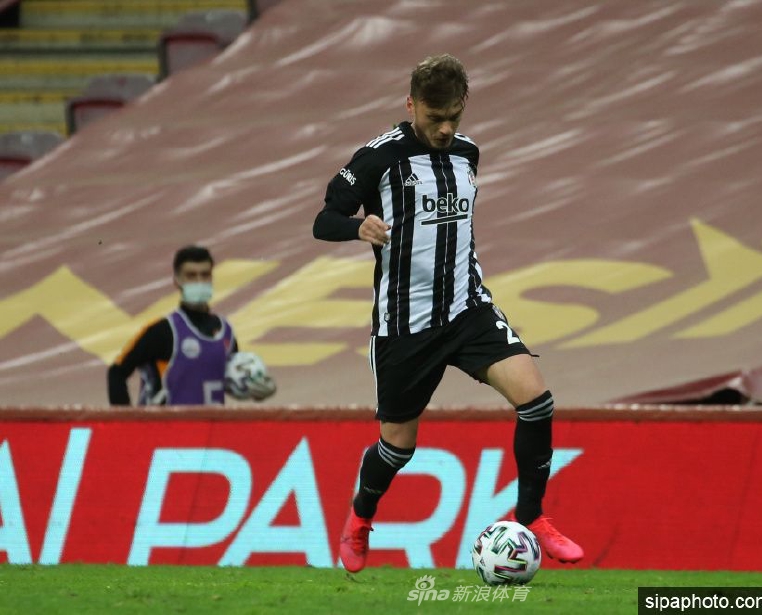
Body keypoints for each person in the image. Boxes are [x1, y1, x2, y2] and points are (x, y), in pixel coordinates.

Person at [312, 54, 584, 573]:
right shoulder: (377, 159)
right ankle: (361, 515)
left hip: (467, 307)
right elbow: (324, 219)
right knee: (397, 448)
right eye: (434, 116)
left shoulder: (467, 154)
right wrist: (357, 227)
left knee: (537, 402)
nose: (444, 128)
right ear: (410, 104)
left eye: (453, 117)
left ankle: (532, 517)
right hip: (405, 325)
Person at [107, 245, 275, 405]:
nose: (199, 281)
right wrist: (125, 421)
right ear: (177, 281)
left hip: (211, 425)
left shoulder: (226, 333)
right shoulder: (162, 331)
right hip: (167, 425)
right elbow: (116, 373)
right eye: (191, 276)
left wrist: (258, 391)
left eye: (205, 275)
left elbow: (230, 381)